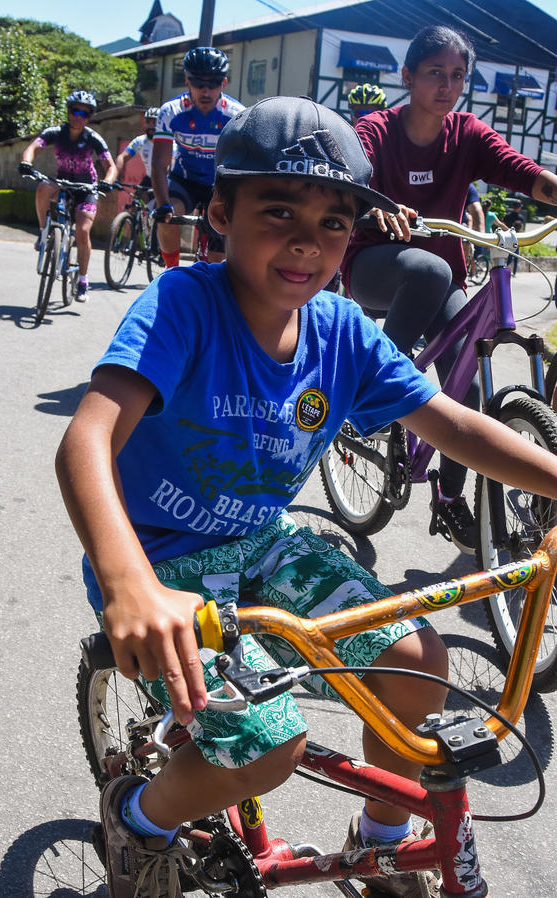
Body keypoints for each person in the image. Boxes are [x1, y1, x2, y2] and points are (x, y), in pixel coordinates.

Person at [55, 95, 557, 898]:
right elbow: (86, 440)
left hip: (262, 543)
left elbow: (458, 427)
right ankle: (141, 821)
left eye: (333, 223)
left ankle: (385, 847)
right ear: (220, 212)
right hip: (161, 563)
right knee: (266, 747)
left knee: (422, 665)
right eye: (278, 210)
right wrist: (128, 584)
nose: (306, 242)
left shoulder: (344, 331)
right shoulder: (184, 305)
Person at [341, 24, 557, 555]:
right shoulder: (375, 128)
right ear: (408, 75)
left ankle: (449, 496)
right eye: (435, 73)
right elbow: (347, 175)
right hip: (375, 266)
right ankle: (379, 385)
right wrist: (376, 207)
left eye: (458, 76)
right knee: (431, 269)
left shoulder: (467, 134)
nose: (447, 85)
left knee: (472, 391)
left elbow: (524, 173)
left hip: (440, 279)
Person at [150, 46, 244, 267]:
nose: (206, 91)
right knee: (167, 216)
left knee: (216, 260)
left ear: (224, 83)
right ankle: (171, 272)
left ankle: (212, 282)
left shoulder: (237, 115)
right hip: (185, 180)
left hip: (219, 184)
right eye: (198, 83)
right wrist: (163, 204)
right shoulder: (170, 112)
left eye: (213, 84)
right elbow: (159, 163)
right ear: (186, 82)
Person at [18, 90, 117, 302]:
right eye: (74, 111)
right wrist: (27, 162)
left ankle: (82, 279)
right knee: (44, 187)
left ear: (89, 117)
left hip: (86, 188)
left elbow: (111, 166)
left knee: (82, 231)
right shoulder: (55, 132)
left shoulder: (93, 138)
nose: (78, 117)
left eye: (85, 114)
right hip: (62, 182)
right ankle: (44, 231)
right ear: (68, 111)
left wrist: (107, 181)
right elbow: (33, 148)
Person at [115, 107, 160, 195]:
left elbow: (171, 162)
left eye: (155, 122)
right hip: (149, 179)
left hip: (167, 180)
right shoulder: (140, 141)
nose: (151, 126)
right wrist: (114, 176)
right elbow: (122, 157)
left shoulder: (170, 142)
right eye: (148, 122)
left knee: (162, 206)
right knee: (136, 204)